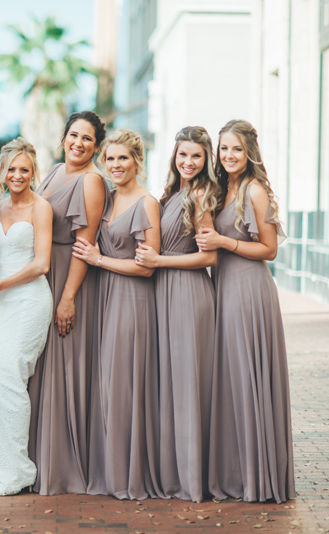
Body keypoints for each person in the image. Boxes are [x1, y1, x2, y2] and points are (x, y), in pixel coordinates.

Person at [195, 119, 295, 503]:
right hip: (224, 288)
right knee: (230, 377)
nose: (229, 155)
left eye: (236, 149)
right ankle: (236, 472)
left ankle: (258, 475)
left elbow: (269, 249)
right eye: (223, 149)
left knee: (246, 373)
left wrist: (224, 242)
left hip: (249, 291)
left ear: (249, 151)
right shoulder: (222, 189)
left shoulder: (254, 189)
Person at [72, 128, 162, 500]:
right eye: (109, 159)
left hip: (132, 300)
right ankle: (107, 470)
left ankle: (128, 474)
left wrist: (98, 260)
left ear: (137, 160)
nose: (115, 165)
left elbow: (147, 267)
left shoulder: (147, 203)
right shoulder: (106, 198)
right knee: (104, 383)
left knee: (123, 384)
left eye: (123, 158)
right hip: (103, 298)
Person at [135, 126, 220, 502]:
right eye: (183, 154)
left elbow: (209, 257)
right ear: (174, 156)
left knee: (186, 382)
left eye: (196, 156)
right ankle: (172, 469)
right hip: (164, 292)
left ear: (206, 160)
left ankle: (191, 477)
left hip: (187, 294)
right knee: (169, 381)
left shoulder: (200, 196)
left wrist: (159, 261)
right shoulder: (172, 194)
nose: (189, 162)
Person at [27, 111, 109, 495]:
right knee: (43, 366)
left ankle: (62, 464)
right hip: (43, 275)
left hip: (69, 279)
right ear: (63, 138)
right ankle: (36, 458)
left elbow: (84, 244)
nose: (78, 143)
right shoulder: (55, 170)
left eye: (87, 138)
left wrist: (68, 298)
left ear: (97, 146)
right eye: (73, 135)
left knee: (64, 367)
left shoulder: (92, 182)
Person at [0, 138, 53, 496]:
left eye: (24, 169)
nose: (18, 175)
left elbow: (42, 264)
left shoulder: (41, 208)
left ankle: (18, 471)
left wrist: (1, 284)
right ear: (2, 172)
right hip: (0, 301)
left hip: (29, 300)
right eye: (12, 169)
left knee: (10, 377)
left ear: (33, 172)